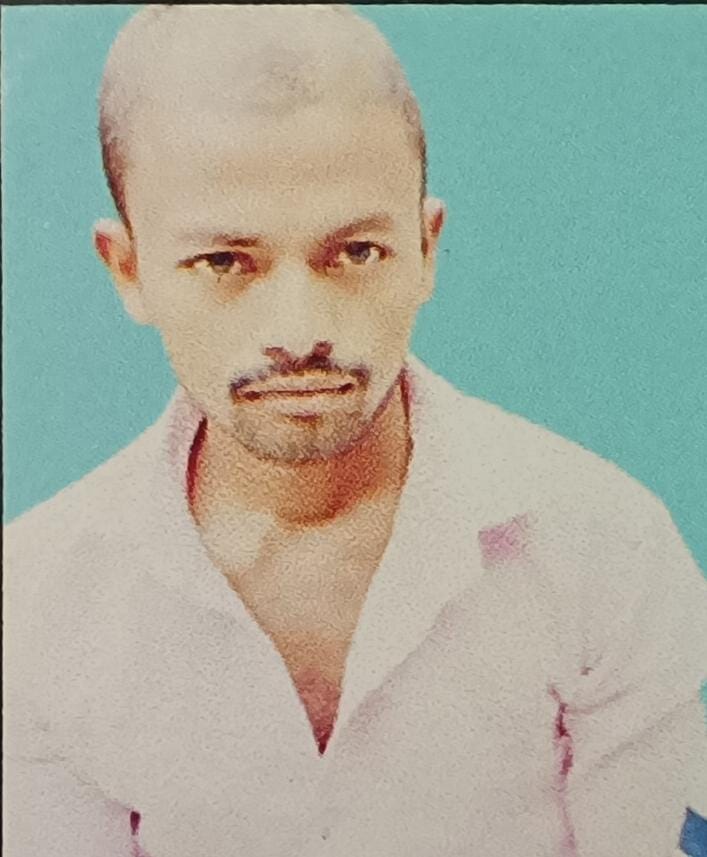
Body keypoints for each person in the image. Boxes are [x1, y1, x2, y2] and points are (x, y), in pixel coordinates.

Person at [4, 5, 706, 856]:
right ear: (129, 268)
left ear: (425, 247)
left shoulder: (603, 549)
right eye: (224, 261)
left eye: (356, 252)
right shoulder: (36, 603)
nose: (299, 331)